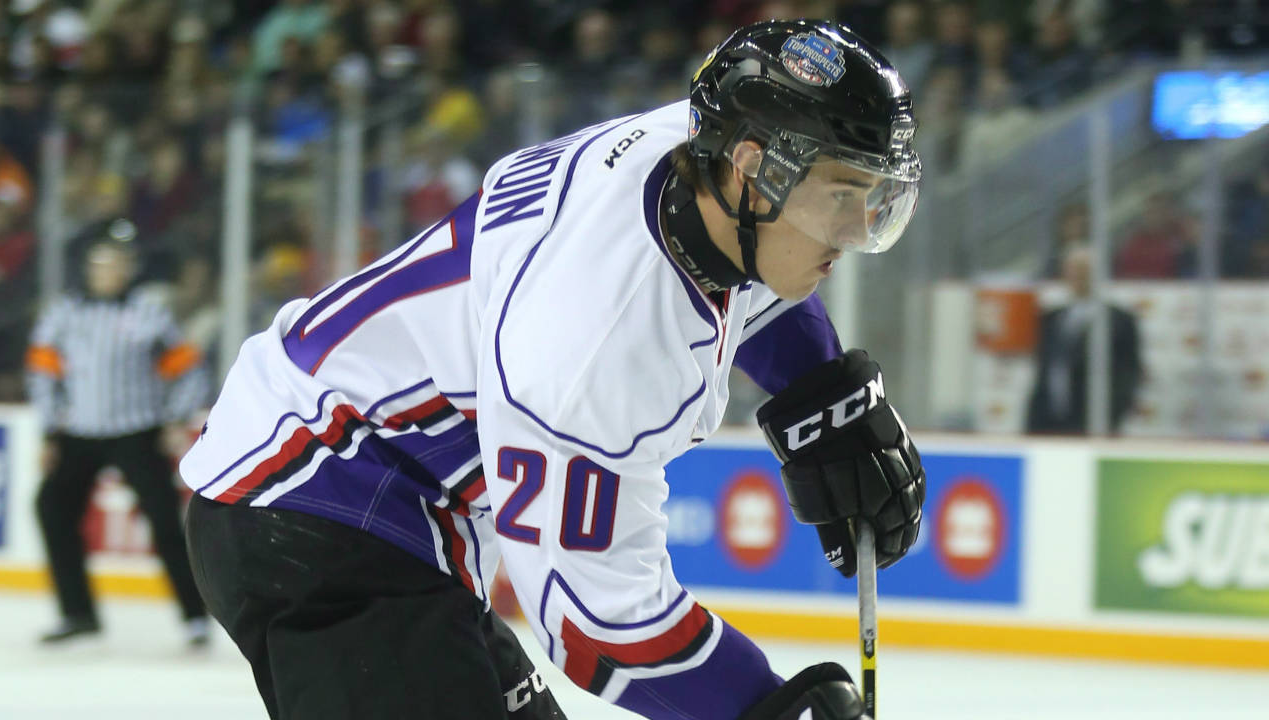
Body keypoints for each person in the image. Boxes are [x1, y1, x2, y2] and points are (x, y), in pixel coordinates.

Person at [181, 19, 926, 720]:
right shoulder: (596, 340)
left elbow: (747, 261)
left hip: (366, 489)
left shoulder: (703, 148)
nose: (854, 231)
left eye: (872, 198)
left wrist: (819, 393)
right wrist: (765, 706)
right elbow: (598, 625)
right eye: (841, 197)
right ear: (753, 169)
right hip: (313, 505)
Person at [25, 222, 211, 645]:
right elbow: (42, 372)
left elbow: (188, 369)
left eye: (115, 264)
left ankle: (194, 617)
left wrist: (174, 418)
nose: (107, 272)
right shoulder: (63, 313)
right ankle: (78, 613)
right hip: (78, 432)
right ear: (88, 269)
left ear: (129, 269)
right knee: (52, 508)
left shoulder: (149, 313)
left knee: (164, 521)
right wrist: (49, 429)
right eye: (100, 265)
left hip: (137, 431)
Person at [1027, 245, 1143, 435]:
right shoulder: (1051, 318)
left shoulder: (1119, 321)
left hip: (1094, 422)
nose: (1077, 275)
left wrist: (1112, 414)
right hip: (1047, 421)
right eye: (1071, 269)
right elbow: (1045, 369)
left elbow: (1129, 373)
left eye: (1084, 269)